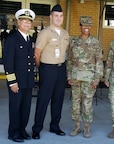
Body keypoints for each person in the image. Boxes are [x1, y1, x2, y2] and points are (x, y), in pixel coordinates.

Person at [32, 4, 69, 139]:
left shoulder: (65, 33)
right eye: (56, 16)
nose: (58, 18)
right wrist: (41, 67)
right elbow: (37, 53)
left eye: (60, 16)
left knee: (58, 99)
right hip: (47, 68)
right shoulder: (45, 33)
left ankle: (55, 126)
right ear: (51, 17)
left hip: (61, 69)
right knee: (43, 100)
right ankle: (37, 129)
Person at [67, 16, 104, 138]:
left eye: (88, 25)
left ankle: (86, 128)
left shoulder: (95, 42)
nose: (86, 27)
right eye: (84, 25)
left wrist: (97, 79)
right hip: (76, 77)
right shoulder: (74, 41)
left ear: (91, 26)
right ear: (80, 26)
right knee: (76, 104)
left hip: (89, 79)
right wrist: (69, 76)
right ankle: (77, 126)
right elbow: (70, 60)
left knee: (87, 104)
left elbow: (99, 61)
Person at [3, 9, 36, 142]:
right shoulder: (12, 40)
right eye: (24, 21)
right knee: (15, 108)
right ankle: (13, 132)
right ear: (18, 22)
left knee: (26, 108)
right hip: (16, 82)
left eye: (29, 22)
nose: (27, 24)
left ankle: (22, 130)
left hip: (27, 81)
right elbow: (8, 62)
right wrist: (12, 82)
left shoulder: (30, 39)